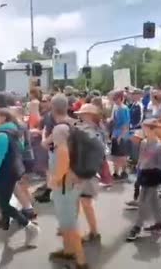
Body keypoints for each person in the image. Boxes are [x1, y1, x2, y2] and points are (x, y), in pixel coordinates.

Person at [0, 108, 40, 246]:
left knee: (3, 205)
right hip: (13, 171)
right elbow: (18, 150)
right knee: (3, 203)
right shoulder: (14, 131)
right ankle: (4, 231)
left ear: (3, 118)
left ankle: (30, 226)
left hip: (5, 174)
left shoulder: (2, 135)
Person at [48, 112, 88, 269]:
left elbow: (62, 168)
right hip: (69, 188)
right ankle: (69, 251)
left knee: (70, 225)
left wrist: (53, 181)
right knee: (67, 224)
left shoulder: (62, 148)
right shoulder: (71, 146)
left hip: (64, 189)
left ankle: (81, 261)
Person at [126, 119, 161, 241]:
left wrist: (155, 174)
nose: (144, 131)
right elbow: (141, 159)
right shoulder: (143, 142)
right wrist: (139, 170)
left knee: (143, 201)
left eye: (146, 128)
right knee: (154, 201)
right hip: (143, 173)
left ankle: (137, 226)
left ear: (153, 129)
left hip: (153, 175)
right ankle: (159, 223)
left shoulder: (159, 146)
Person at [74, 104, 103, 243]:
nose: (79, 116)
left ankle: (94, 232)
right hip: (87, 171)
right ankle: (92, 231)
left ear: (89, 115)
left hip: (86, 172)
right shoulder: (94, 130)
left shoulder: (90, 132)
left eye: (82, 114)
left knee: (85, 202)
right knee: (82, 201)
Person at [110, 90, 130, 180]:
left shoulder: (124, 108)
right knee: (115, 155)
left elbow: (126, 124)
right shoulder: (116, 108)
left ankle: (124, 172)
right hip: (116, 133)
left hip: (122, 135)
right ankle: (115, 172)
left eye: (116, 99)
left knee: (122, 156)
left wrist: (121, 136)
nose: (115, 101)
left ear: (121, 98)